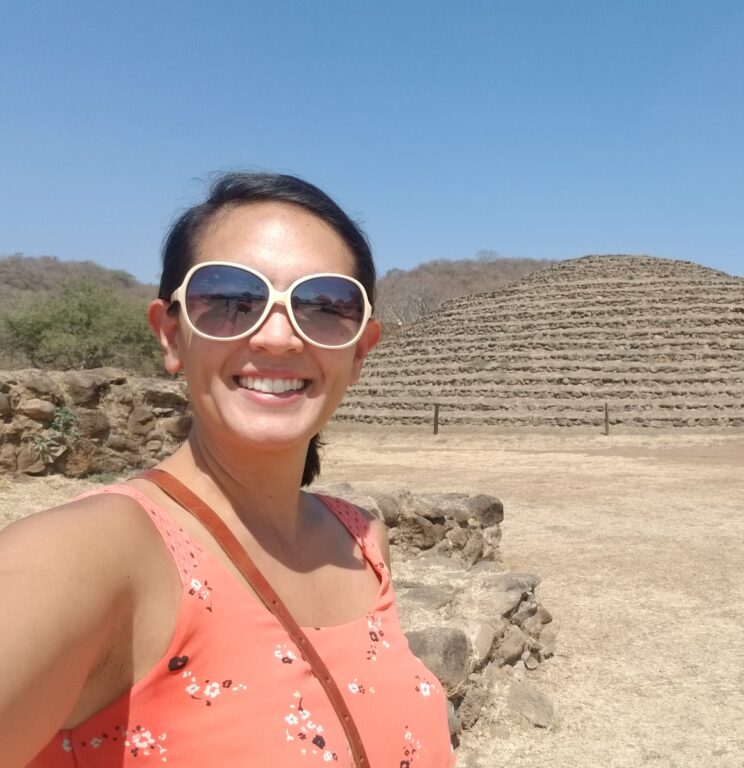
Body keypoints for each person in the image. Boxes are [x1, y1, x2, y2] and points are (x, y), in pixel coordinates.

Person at [0, 172, 454, 767]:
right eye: (230, 299)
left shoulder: (362, 540)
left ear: (360, 351)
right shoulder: (87, 557)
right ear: (172, 334)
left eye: (324, 305)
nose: (278, 337)